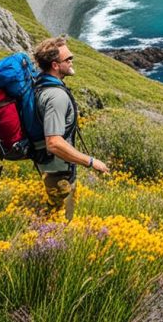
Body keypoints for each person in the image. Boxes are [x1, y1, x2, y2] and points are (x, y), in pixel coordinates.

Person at [32, 36, 109, 220]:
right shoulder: (56, 96)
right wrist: (90, 161)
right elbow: (54, 143)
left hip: (52, 167)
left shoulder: (42, 84)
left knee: (56, 219)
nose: (72, 61)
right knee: (61, 223)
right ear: (55, 65)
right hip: (58, 172)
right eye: (68, 59)